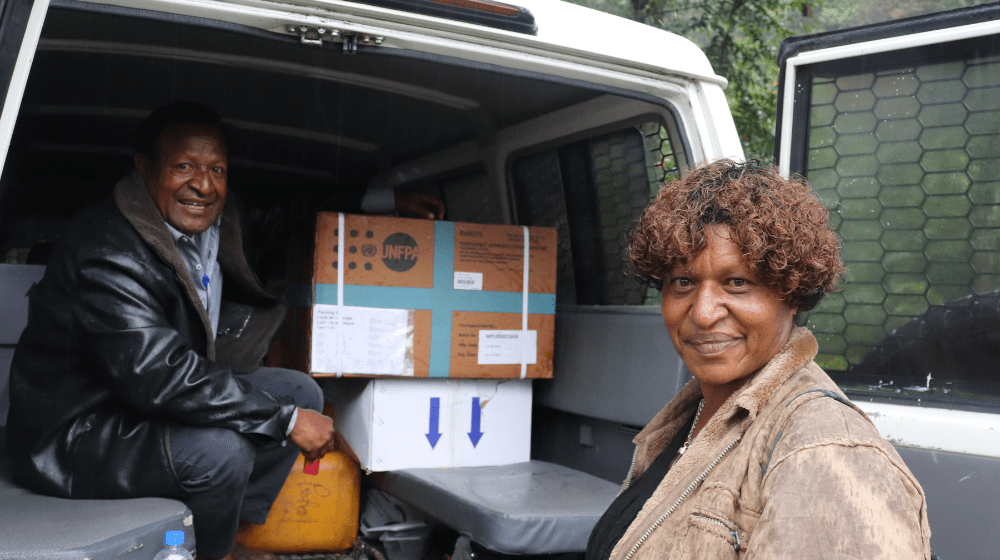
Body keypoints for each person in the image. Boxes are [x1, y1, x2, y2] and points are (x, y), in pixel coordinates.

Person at [5, 101, 441, 560]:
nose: (203, 184)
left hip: (149, 403)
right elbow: (158, 374)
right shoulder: (107, 250)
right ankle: (212, 553)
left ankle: (235, 530)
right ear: (143, 167)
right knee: (223, 449)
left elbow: (295, 211)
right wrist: (284, 421)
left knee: (300, 391)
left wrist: (387, 203)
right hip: (81, 432)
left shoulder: (223, 215)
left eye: (217, 168)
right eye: (184, 166)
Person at [586, 160, 932, 560]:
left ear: (793, 294)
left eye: (737, 283)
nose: (703, 312)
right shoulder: (694, 414)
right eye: (683, 282)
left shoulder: (827, 450)